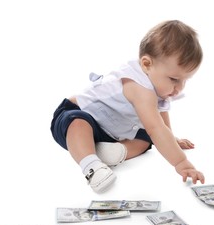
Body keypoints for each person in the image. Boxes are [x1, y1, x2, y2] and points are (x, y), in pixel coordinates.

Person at [50, 20, 205, 193]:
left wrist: (172, 139)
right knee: (78, 122)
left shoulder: (158, 85)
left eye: (185, 80)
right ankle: (92, 167)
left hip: (110, 132)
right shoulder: (138, 85)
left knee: (147, 139)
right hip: (75, 115)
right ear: (146, 64)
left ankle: (112, 152)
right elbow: (156, 127)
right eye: (174, 79)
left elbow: (161, 121)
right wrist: (181, 162)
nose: (180, 88)